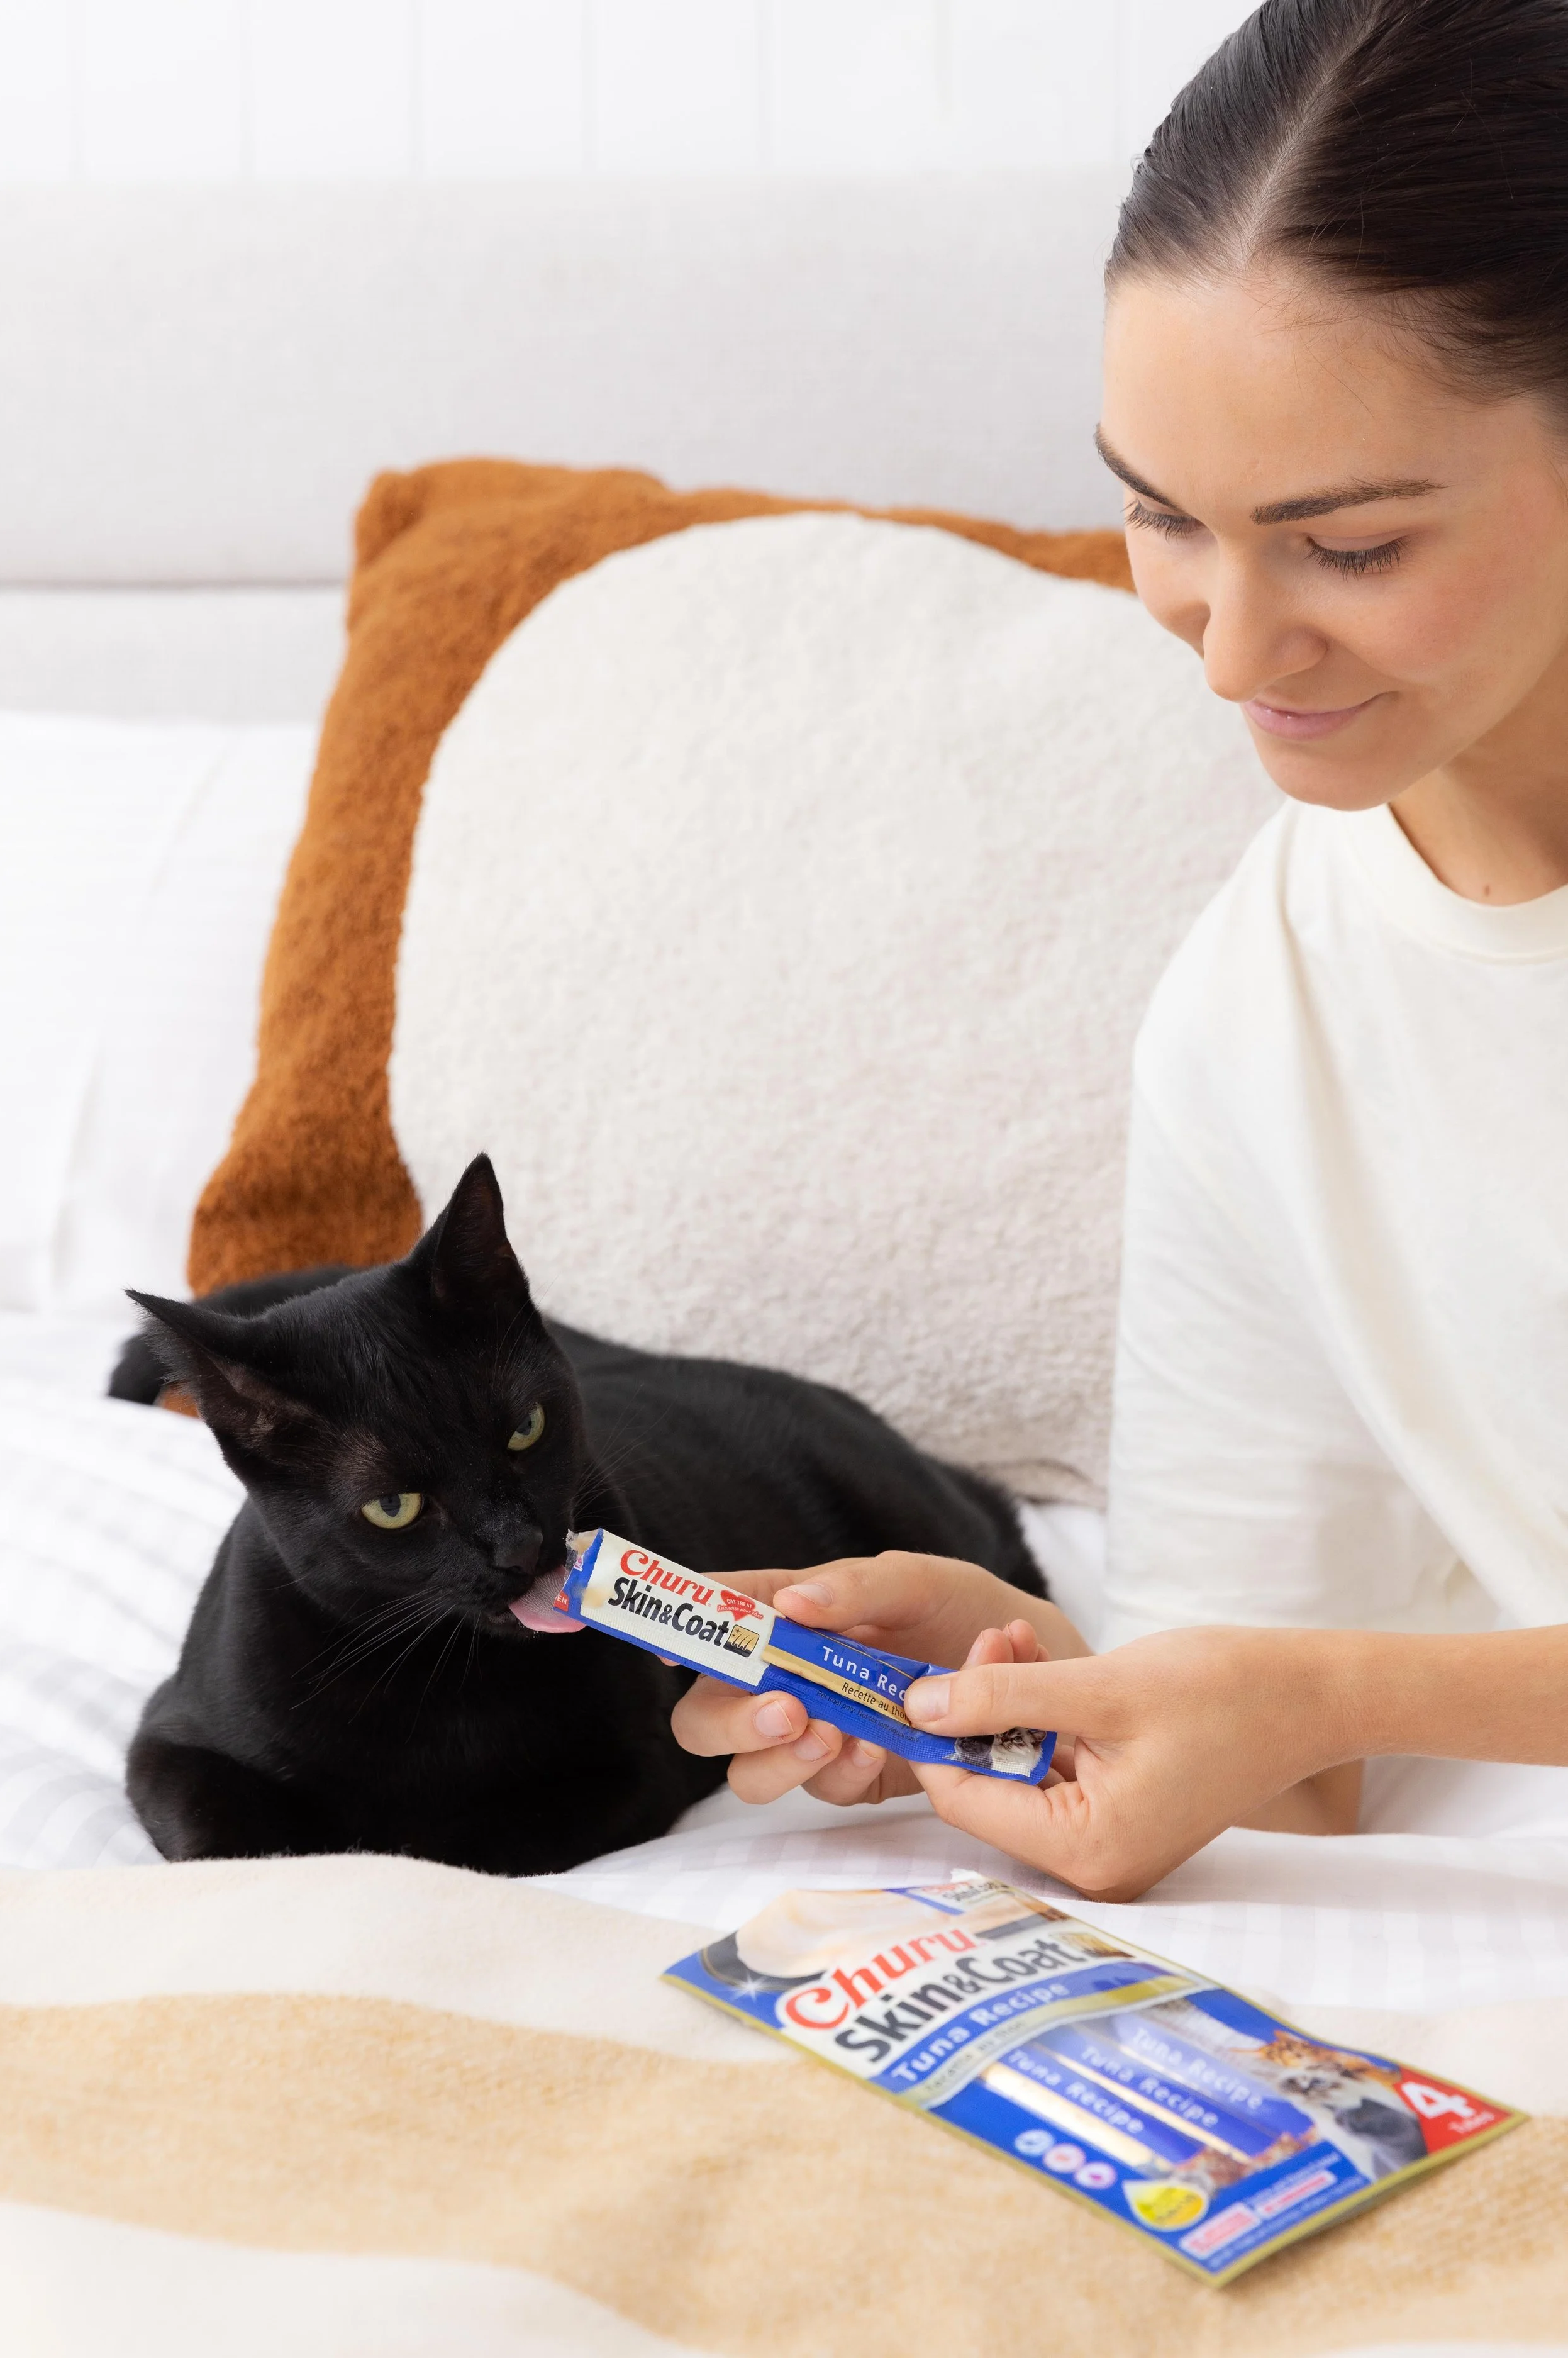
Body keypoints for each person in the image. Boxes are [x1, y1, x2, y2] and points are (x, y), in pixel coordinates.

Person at [672, 0, 1568, 1899]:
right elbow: (1301, 1779)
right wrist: (1031, 1679)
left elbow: (1312, 1693)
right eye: (1162, 515)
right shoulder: (1262, 1024)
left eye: (1346, 546)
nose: (1228, 652)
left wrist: (1301, 1684)